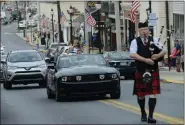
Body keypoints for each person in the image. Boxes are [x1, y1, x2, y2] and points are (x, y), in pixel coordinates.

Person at [129, 22, 166, 123]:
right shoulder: (134, 42)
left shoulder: (154, 40)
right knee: (141, 95)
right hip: (141, 71)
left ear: (149, 31)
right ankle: (143, 113)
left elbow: (164, 50)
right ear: (138, 31)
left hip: (153, 70)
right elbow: (132, 54)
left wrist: (157, 56)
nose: (144, 31)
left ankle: (150, 116)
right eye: (142, 30)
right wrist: (146, 60)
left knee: (153, 94)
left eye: (146, 29)